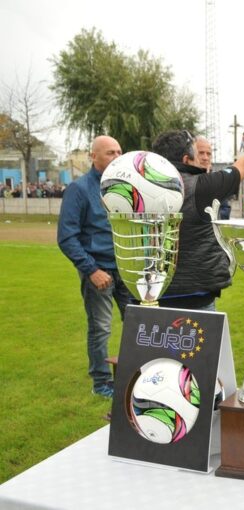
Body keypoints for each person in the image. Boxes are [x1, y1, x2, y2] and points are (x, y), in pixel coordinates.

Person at [151, 129, 244, 310]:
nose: (203, 158)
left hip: (151, 289)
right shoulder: (201, 186)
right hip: (196, 295)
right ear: (186, 159)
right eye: (198, 153)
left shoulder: (141, 189)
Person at [57, 135, 132, 398]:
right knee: (101, 329)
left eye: (120, 151)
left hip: (127, 270)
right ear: (94, 156)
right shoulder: (79, 190)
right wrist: (90, 269)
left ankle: (134, 375)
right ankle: (101, 383)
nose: (117, 157)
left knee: (138, 326)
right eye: (110, 152)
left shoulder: (125, 187)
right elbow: (66, 237)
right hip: (98, 271)